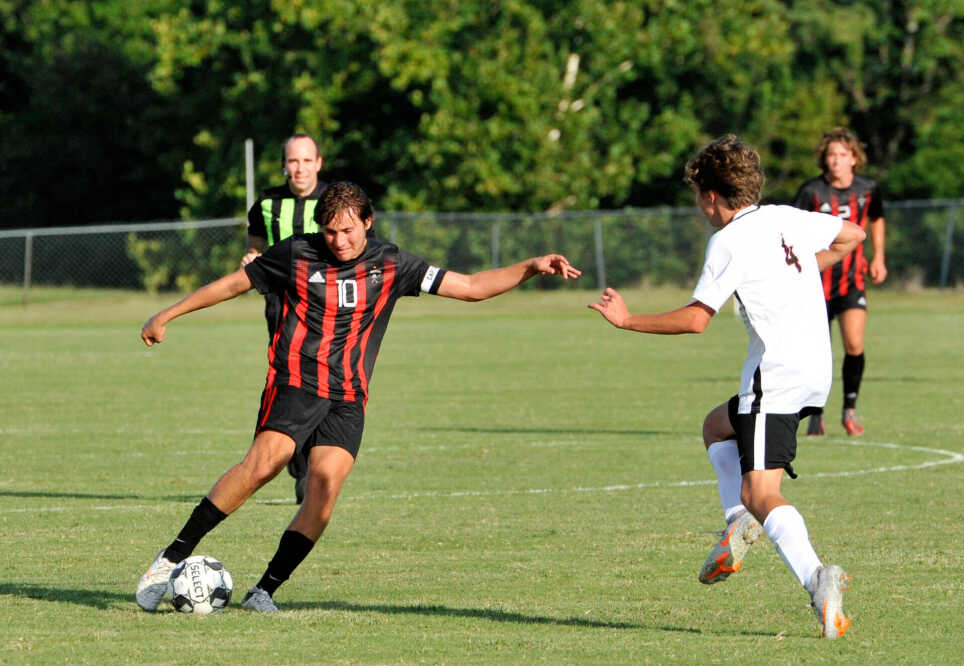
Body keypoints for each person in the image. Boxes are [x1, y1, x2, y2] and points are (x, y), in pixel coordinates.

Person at [136, 181, 581, 613]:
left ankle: (264, 590)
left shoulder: (392, 262)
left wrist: (530, 266)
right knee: (263, 467)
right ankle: (172, 557)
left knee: (324, 491)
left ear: (367, 223)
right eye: (330, 231)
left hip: (348, 396)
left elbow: (471, 287)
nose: (339, 240)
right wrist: (168, 313)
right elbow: (234, 284)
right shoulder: (295, 253)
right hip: (296, 380)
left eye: (348, 230)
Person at [589, 135, 865, 639]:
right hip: (813, 370)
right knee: (717, 428)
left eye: (698, 195)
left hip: (776, 374)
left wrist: (627, 321)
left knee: (763, 492)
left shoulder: (728, 241)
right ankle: (739, 523)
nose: (699, 207)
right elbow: (852, 236)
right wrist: (796, 271)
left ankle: (816, 578)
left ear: (712, 196)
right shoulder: (785, 217)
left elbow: (696, 320)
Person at [242, 133, 328, 504]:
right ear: (284, 165)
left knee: (325, 383)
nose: (300, 168)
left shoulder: (332, 202)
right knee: (292, 385)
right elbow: (255, 250)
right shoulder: (266, 205)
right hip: (281, 307)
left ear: (318, 163)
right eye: (293, 161)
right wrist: (248, 262)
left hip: (326, 308)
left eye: (307, 160)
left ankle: (313, 465)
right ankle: (300, 467)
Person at [791, 127, 887, 436]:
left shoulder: (868, 188)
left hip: (852, 280)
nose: (836, 160)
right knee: (819, 349)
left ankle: (849, 409)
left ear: (854, 158)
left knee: (854, 343)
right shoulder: (811, 191)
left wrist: (879, 256)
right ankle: (816, 413)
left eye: (842, 154)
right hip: (815, 282)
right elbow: (793, 229)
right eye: (831, 154)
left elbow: (877, 218)